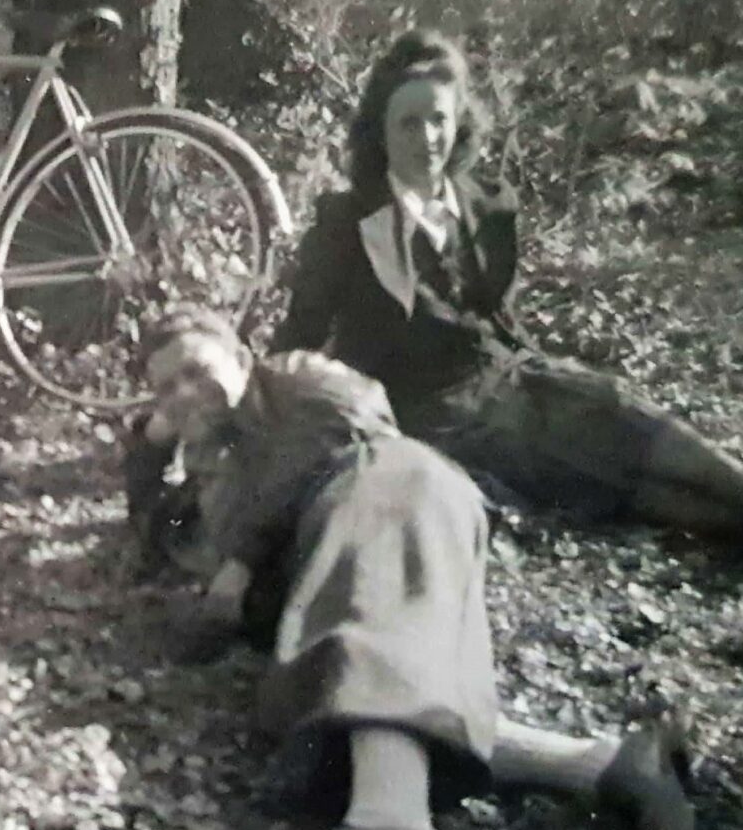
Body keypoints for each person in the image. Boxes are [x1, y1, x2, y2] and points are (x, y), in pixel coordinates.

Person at [125, 309, 695, 830]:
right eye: (166, 386)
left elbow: (344, 431)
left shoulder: (297, 376)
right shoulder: (210, 460)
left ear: (240, 357)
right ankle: (608, 763)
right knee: (348, 678)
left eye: (195, 370)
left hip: (393, 494)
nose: (183, 392)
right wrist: (153, 437)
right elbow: (154, 524)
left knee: (366, 637)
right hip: (338, 580)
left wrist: (240, 560)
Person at [273, 29, 743, 538]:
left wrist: (543, 376)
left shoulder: (484, 204)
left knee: (619, 412)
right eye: (408, 124)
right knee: (599, 480)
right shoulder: (347, 224)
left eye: (439, 120)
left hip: (510, 377)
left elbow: (502, 317)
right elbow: (302, 330)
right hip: (435, 415)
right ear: (379, 134)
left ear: (459, 124)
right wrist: (260, 406)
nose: (427, 139)